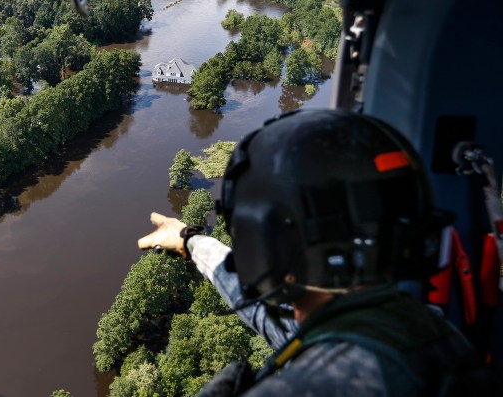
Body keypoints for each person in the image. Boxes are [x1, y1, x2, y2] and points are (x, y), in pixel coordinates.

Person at [137, 109, 493, 396]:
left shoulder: (320, 383)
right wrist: (189, 239)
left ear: (263, 243)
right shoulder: (423, 329)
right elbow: (269, 317)